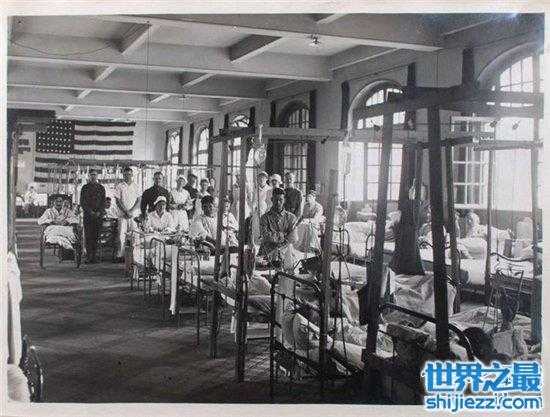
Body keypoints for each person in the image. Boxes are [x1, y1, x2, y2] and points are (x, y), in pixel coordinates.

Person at [259, 187, 299, 257]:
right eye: (275, 200)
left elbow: (294, 238)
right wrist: (283, 235)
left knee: (289, 260)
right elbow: (265, 236)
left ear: (284, 200)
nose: (278, 202)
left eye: (280, 200)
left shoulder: (291, 217)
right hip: (267, 251)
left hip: (286, 251)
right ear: (272, 200)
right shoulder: (264, 218)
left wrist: (276, 239)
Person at [114, 166, 141, 262]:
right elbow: (117, 200)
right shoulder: (119, 186)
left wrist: (131, 211)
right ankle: (121, 255)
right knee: (122, 235)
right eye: (125, 174)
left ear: (132, 174)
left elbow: (138, 200)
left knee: (135, 235)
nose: (127, 176)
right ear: (123, 175)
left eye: (129, 174)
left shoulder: (136, 186)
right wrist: (126, 211)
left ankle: (135, 255)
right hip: (123, 215)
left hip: (133, 215)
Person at [79, 169, 106, 263]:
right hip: (88, 216)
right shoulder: (84, 188)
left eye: (94, 175)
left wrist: (99, 212)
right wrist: (90, 212)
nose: (93, 176)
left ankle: (94, 256)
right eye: (91, 175)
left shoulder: (101, 188)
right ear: (89, 176)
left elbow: (103, 202)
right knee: (88, 236)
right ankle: (88, 257)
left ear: (97, 176)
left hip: (98, 217)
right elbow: (82, 202)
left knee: (96, 237)